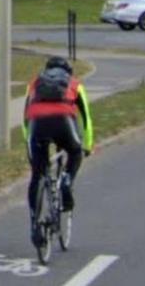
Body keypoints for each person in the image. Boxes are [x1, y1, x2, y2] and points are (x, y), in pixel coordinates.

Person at [22, 55, 93, 246]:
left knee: (37, 176)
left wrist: (28, 142)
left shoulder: (35, 83)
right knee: (75, 152)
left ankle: (35, 226)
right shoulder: (74, 84)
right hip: (64, 123)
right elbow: (86, 119)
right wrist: (88, 145)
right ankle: (67, 181)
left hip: (38, 126)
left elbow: (25, 120)